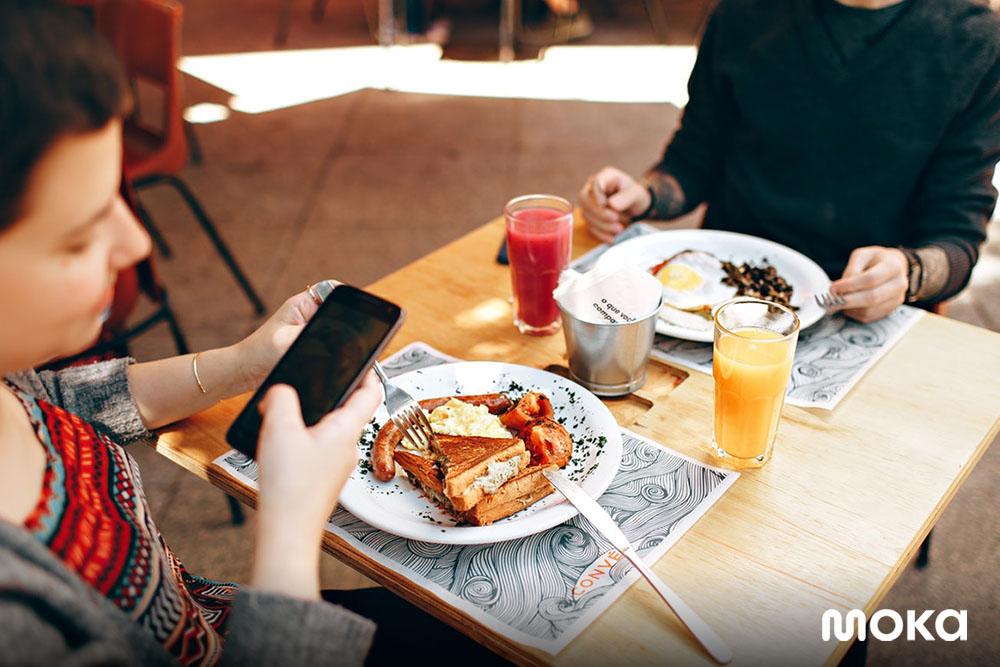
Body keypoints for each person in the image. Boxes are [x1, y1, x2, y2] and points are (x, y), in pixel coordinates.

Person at [0, 3, 505, 665]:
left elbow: (59, 400)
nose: (136, 241)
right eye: (79, 236)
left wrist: (242, 364)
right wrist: (291, 527)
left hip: (220, 612)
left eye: (121, 200)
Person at [579, 0, 1000, 323]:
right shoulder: (743, 12)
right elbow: (693, 158)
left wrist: (908, 272)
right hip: (721, 297)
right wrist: (645, 194)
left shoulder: (977, 43)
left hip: (858, 310)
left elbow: (956, 240)